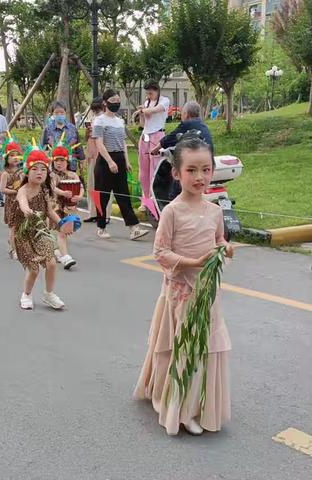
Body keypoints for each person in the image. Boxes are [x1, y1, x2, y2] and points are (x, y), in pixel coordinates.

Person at [133, 137, 233, 436]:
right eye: (192, 170)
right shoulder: (172, 212)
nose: (200, 177)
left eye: (206, 169)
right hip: (180, 292)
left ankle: (198, 404)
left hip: (207, 292)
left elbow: (218, 240)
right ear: (176, 173)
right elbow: (160, 252)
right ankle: (181, 408)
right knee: (185, 347)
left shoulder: (215, 211)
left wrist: (224, 249)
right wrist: (192, 262)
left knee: (208, 346)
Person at [9, 143, 74, 310]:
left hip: (40, 231)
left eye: (43, 169)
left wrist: (62, 223)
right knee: (34, 269)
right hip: (24, 234)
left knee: (52, 263)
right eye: (35, 169)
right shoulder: (22, 190)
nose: (40, 173)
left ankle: (49, 294)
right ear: (27, 171)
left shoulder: (44, 191)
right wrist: (26, 210)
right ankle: (27, 294)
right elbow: (22, 203)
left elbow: (49, 211)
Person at [91, 89, 149, 241]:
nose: (116, 103)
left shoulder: (119, 121)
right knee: (102, 195)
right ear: (105, 102)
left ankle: (133, 228)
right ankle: (101, 227)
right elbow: (99, 143)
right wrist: (110, 161)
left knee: (123, 194)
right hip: (104, 160)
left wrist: (126, 161)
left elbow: (123, 142)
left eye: (118, 100)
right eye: (113, 101)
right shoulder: (99, 120)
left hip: (119, 159)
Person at [135, 80, 170, 212]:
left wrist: (145, 110)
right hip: (145, 136)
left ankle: (156, 199)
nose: (149, 95)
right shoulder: (146, 103)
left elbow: (156, 110)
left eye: (151, 92)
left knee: (154, 169)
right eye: (147, 93)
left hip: (158, 136)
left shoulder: (164, 101)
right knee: (143, 170)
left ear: (156, 90)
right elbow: (144, 124)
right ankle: (146, 199)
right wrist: (141, 114)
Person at [50, 139, 84, 270]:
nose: (59, 163)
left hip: (69, 208)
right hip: (55, 207)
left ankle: (58, 251)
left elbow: (80, 187)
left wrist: (79, 196)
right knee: (61, 232)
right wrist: (63, 193)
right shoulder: (52, 175)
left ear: (67, 161)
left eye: (62, 160)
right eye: (56, 161)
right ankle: (65, 257)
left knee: (63, 232)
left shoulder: (73, 174)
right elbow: (53, 188)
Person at [83, 96, 112, 223]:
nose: (96, 113)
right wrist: (88, 131)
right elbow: (87, 138)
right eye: (94, 111)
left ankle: (105, 214)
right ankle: (93, 212)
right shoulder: (92, 119)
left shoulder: (108, 119)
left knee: (104, 186)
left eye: (98, 110)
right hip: (91, 154)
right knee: (92, 184)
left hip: (103, 155)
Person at [41, 100, 85, 173]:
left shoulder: (72, 128)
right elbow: (43, 146)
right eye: (56, 113)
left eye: (62, 112)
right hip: (54, 165)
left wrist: (81, 159)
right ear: (52, 114)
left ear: (65, 113)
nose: (59, 115)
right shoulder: (48, 129)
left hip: (71, 164)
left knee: (70, 182)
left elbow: (78, 145)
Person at [0, 136, 23, 260]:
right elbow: (2, 189)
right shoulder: (5, 174)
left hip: (22, 203)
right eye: (11, 155)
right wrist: (14, 191)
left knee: (20, 227)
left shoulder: (22, 172)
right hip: (11, 202)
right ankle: (13, 249)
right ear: (6, 159)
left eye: (17, 155)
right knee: (13, 227)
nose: (15, 157)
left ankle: (15, 244)